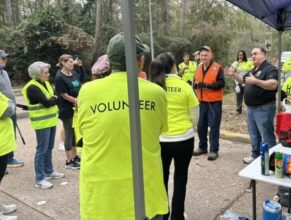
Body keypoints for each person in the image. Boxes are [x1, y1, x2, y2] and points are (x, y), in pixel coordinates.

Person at [78, 32, 168, 220]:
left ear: (110, 61)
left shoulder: (87, 91)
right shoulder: (156, 92)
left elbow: (83, 134)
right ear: (141, 61)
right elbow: (160, 130)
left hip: (101, 196)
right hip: (146, 194)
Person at [150, 52, 199, 220]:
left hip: (160, 141)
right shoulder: (184, 86)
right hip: (183, 140)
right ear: (173, 66)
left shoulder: (153, 87)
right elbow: (195, 114)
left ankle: (163, 214)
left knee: (161, 178)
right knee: (180, 179)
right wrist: (189, 128)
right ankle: (177, 216)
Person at [228, 47, 278, 164]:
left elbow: (273, 85)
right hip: (251, 109)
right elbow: (243, 80)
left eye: (255, 54)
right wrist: (233, 74)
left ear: (264, 55)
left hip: (264, 108)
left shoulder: (270, 69)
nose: (253, 56)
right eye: (251, 54)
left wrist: (255, 81)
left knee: (266, 136)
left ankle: (271, 161)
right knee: (254, 135)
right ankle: (255, 156)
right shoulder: (253, 69)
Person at [21, 62, 65, 189]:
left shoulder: (44, 83)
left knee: (49, 147)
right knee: (42, 149)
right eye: (45, 72)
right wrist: (54, 98)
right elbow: (47, 102)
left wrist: (54, 98)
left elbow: (54, 98)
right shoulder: (32, 87)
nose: (48, 74)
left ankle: (49, 171)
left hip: (50, 121)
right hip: (41, 123)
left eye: (48, 72)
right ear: (38, 74)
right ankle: (39, 179)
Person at [192, 46, 225, 161]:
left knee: (214, 126)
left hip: (213, 103)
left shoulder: (217, 68)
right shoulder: (198, 67)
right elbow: (195, 82)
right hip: (201, 102)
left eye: (206, 55)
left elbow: (221, 84)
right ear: (199, 56)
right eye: (202, 55)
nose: (204, 57)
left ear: (211, 55)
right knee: (201, 126)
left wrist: (206, 86)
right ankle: (202, 147)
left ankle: (213, 150)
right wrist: (195, 86)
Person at [54, 54, 81, 169]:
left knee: (74, 133)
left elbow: (80, 82)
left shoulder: (74, 74)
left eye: (72, 61)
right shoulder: (59, 77)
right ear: (63, 63)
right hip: (66, 109)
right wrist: (75, 100)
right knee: (69, 134)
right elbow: (63, 94)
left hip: (75, 109)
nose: (72, 63)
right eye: (69, 62)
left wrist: (81, 67)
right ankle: (69, 161)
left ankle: (74, 156)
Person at [0, 50, 24, 168]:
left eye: (5, 58)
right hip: (2, 110)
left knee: (11, 133)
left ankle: (9, 158)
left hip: (11, 108)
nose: (5, 60)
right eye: (3, 58)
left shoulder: (4, 73)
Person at [0, 92, 17, 220]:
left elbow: (10, 101)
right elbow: (9, 110)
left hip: (3, 143)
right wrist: (10, 104)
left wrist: (10, 104)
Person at [230, 50, 254, 114]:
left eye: (242, 55)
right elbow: (231, 70)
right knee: (238, 95)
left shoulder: (249, 62)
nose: (240, 56)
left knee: (248, 95)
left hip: (246, 81)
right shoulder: (235, 63)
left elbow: (252, 69)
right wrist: (237, 64)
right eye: (239, 55)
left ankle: (249, 108)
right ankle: (238, 109)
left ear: (244, 55)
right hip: (238, 82)